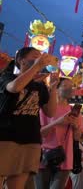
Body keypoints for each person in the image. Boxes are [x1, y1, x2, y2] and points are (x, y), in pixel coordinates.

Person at [0, 47, 59, 188]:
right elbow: (14, 88)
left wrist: (53, 88)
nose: (39, 59)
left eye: (40, 57)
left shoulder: (39, 86)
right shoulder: (7, 77)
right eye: (35, 56)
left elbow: (50, 112)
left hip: (31, 140)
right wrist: (38, 65)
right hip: (5, 137)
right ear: (21, 60)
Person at [35, 78, 83, 189]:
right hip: (44, 157)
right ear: (56, 89)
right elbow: (40, 134)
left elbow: (77, 137)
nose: (70, 89)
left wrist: (75, 125)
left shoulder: (76, 112)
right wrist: (58, 122)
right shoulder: (44, 109)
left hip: (65, 158)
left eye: (72, 86)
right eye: (66, 86)